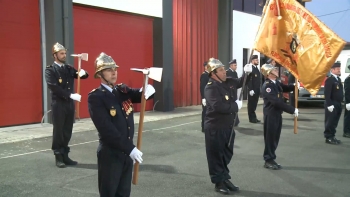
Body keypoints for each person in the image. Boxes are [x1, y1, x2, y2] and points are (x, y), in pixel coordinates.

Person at [88, 52, 155, 197]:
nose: (114, 73)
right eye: (108, 70)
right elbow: (107, 130)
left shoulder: (122, 91)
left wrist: (148, 89)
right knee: (109, 193)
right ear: (100, 74)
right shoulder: (95, 97)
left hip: (126, 153)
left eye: (115, 69)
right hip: (110, 154)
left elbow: (140, 95)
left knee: (124, 193)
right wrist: (130, 148)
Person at [204, 57, 252, 195]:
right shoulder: (210, 87)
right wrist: (234, 106)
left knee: (226, 153)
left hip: (228, 126)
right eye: (221, 70)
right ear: (213, 74)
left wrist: (247, 73)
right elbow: (218, 106)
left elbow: (241, 83)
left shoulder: (228, 81)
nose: (224, 72)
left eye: (224, 69)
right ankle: (218, 182)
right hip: (215, 127)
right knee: (216, 155)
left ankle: (224, 177)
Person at [45, 42, 89, 168]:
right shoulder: (50, 70)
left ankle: (65, 154)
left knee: (67, 130)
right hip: (59, 104)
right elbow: (53, 87)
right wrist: (70, 95)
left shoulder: (68, 68)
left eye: (65, 53)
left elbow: (82, 76)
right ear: (55, 55)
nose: (64, 55)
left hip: (69, 104)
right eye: (61, 53)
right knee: (58, 131)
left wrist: (83, 73)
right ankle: (58, 155)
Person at [260, 63, 298, 170]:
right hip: (271, 115)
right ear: (268, 74)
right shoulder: (267, 86)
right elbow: (276, 102)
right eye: (273, 70)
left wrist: (294, 86)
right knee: (270, 138)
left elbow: (284, 88)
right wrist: (292, 109)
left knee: (275, 138)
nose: (276, 70)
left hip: (277, 114)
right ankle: (268, 160)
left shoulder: (276, 83)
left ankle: (272, 158)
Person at [324, 62, 343, 145]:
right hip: (332, 103)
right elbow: (327, 93)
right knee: (330, 121)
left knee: (335, 121)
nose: (339, 70)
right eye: (337, 69)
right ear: (332, 70)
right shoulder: (330, 80)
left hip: (338, 103)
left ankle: (332, 135)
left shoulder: (338, 79)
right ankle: (328, 137)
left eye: (339, 69)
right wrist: (329, 104)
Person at [247, 55, 261, 123]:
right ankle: (251, 118)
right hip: (252, 90)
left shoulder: (256, 68)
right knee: (251, 105)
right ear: (252, 61)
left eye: (257, 60)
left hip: (257, 90)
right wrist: (250, 89)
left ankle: (254, 117)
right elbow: (248, 80)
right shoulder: (250, 68)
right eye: (256, 60)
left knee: (254, 104)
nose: (257, 61)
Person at [226, 59, 240, 126]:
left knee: (235, 105)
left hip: (234, 91)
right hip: (229, 92)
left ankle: (236, 120)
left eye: (236, 65)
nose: (236, 66)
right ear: (231, 65)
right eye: (235, 65)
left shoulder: (235, 73)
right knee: (231, 106)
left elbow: (237, 82)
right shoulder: (227, 72)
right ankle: (233, 120)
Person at [200, 61, 210, 132]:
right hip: (206, 97)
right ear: (206, 67)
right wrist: (203, 97)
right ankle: (204, 127)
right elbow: (202, 87)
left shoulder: (210, 75)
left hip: (210, 97)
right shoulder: (204, 75)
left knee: (209, 113)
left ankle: (208, 126)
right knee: (205, 112)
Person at [344, 64, 350, 138]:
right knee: (348, 117)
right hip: (349, 101)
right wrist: (348, 102)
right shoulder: (348, 80)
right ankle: (346, 132)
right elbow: (347, 92)